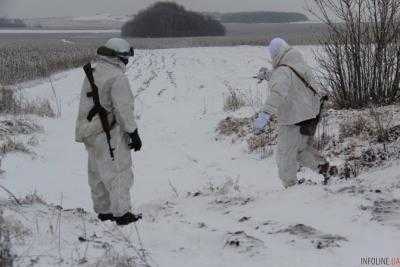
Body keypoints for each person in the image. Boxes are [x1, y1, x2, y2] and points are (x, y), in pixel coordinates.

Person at [75, 38, 142, 225]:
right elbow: (123, 108)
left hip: (89, 131)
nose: (127, 61)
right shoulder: (117, 77)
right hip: (108, 131)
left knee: (97, 171)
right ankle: (122, 214)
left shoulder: (94, 70)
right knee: (118, 171)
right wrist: (133, 133)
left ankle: (104, 212)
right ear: (118, 56)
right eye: (126, 57)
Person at [254, 38, 333, 188]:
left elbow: (277, 92)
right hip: (309, 115)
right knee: (300, 150)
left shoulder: (283, 71)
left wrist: (264, 116)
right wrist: (268, 75)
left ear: (275, 54)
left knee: (285, 155)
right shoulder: (298, 63)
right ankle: (325, 169)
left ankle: (290, 188)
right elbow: (288, 78)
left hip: (293, 119)